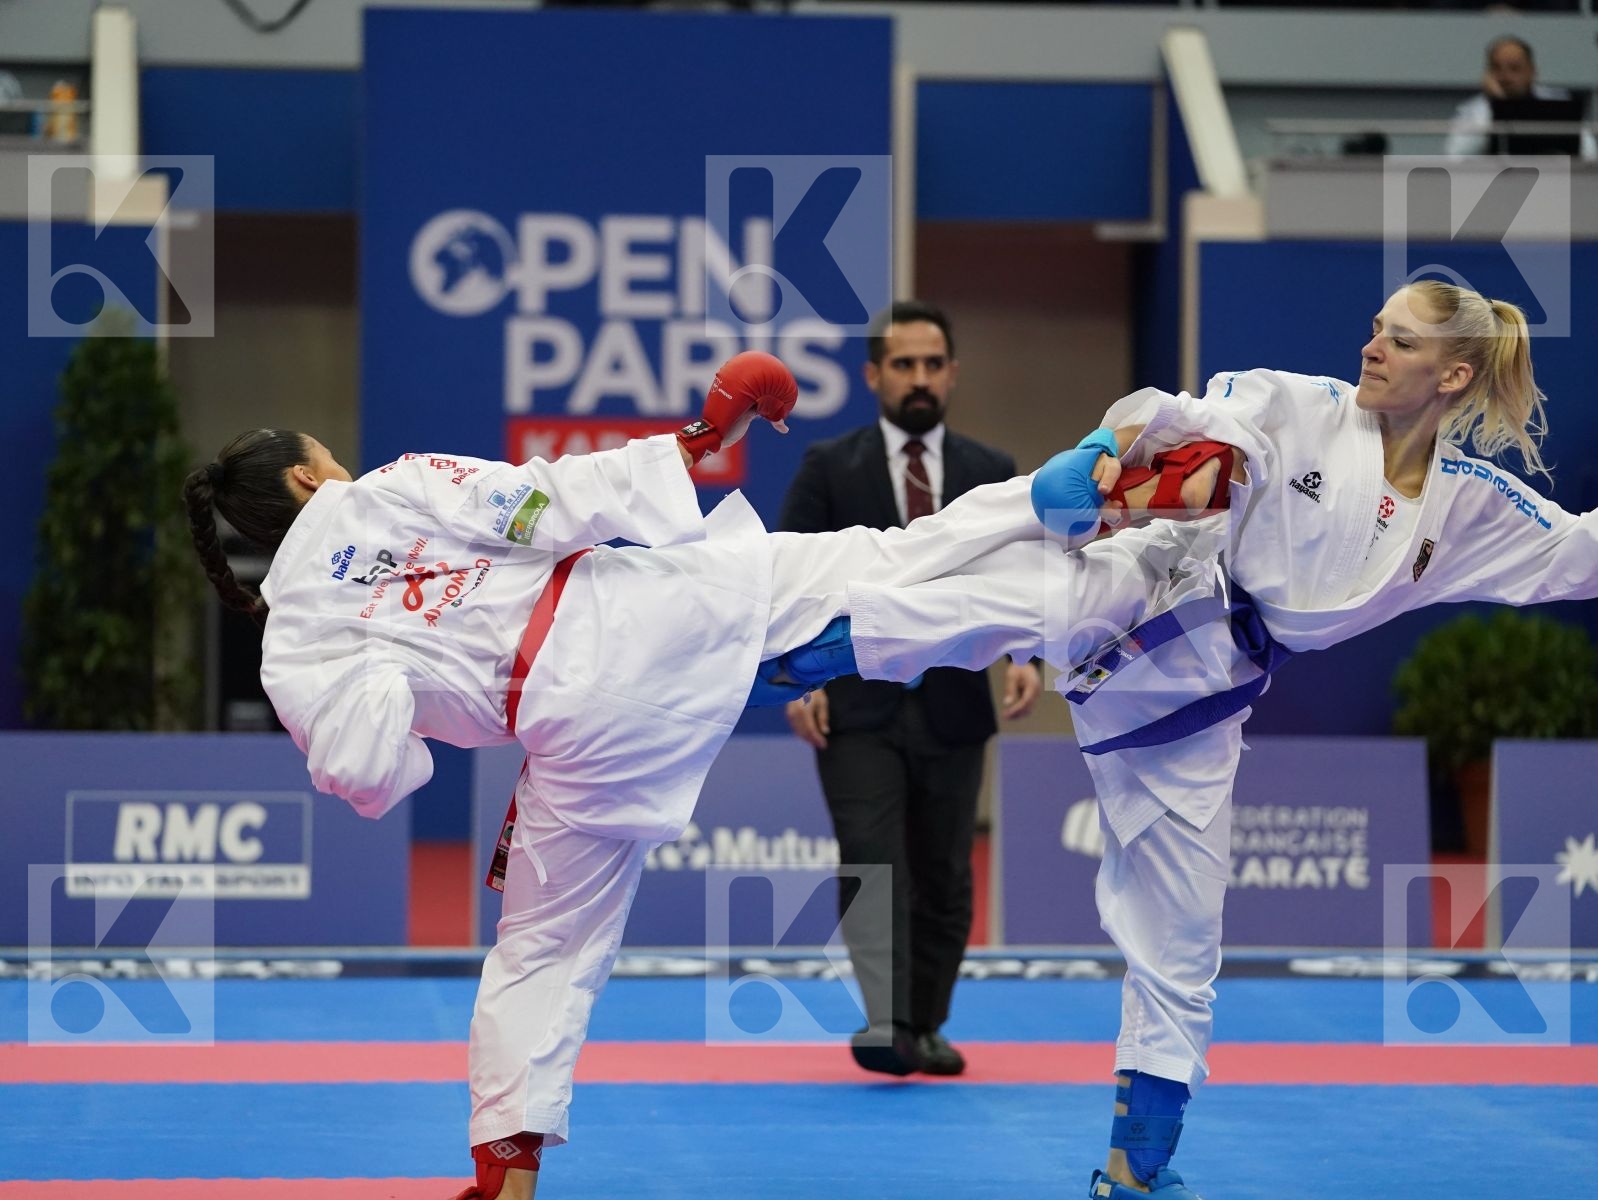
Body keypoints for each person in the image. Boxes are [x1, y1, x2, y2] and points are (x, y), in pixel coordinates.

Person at [182, 349, 1229, 1200]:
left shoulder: (291, 644)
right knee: (883, 573)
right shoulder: (383, 494)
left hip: (567, 734)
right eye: (330, 459)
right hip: (634, 614)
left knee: (541, 949)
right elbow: (545, 507)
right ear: (307, 479)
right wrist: (696, 439)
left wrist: (388, 666)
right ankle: (1100, 555)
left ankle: (506, 1164)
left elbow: (371, 772)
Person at [840, 280, 1597, 1198]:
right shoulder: (1304, 405)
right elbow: (1197, 415)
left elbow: (1575, 554)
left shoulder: (1469, 504)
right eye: (1374, 329)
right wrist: (1101, 448)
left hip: (1199, 698)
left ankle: (1135, 1171)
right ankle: (784, 634)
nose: (1370, 348)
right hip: (1156, 581)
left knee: (1183, 937)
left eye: (1397, 342)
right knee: (990, 561)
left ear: (1454, 373)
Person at [778, 300, 1043, 1076]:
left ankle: (927, 1025)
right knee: (871, 857)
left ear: (952, 373)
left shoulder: (990, 472)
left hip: (957, 705)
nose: (920, 379)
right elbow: (787, 574)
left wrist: (1024, 653)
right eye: (904, 365)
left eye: (933, 365)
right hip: (852, 702)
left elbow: (1025, 575)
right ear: (873, 375)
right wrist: (792, 680)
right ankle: (885, 1023)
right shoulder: (830, 467)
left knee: (944, 873)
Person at [1444, 34, 1597, 159]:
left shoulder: (1559, 104)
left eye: (1514, 68)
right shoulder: (1474, 110)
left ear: (1532, 72)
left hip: (1555, 185)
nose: (1505, 77)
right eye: (1496, 68)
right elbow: (1455, 155)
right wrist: (1496, 105)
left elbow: (1590, 154)